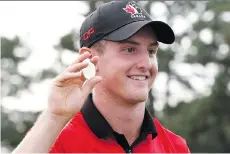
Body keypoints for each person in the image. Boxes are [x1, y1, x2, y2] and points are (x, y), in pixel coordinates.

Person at [13, 1, 190, 153]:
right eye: (130, 49)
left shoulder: (175, 147)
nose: (146, 64)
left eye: (151, 52)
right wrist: (54, 117)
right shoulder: (52, 140)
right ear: (90, 59)